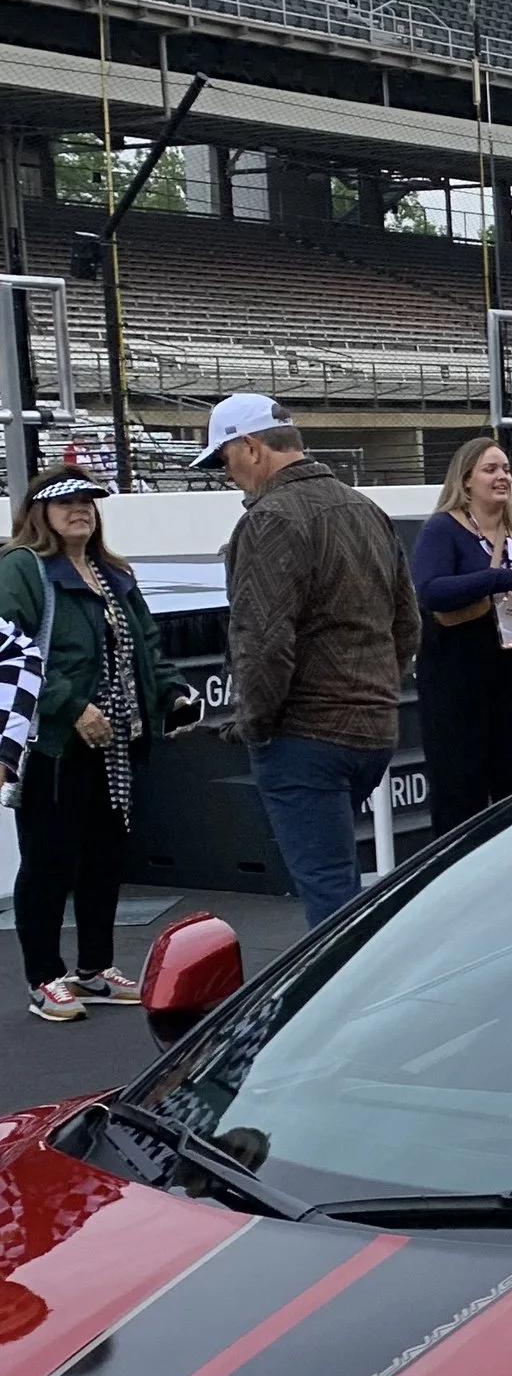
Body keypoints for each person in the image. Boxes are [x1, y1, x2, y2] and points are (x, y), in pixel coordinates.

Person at [201, 391, 420, 928]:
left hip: (306, 735)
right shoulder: (364, 507)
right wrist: (374, 690)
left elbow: (263, 640)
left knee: (328, 893)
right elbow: (407, 622)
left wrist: (254, 725)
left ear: (251, 447)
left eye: (224, 458)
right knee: (338, 884)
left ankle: (344, 1008)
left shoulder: (271, 517)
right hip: (371, 728)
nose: (226, 473)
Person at [0, 470, 195, 1022]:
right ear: (41, 511)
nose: (80, 509)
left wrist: (173, 693)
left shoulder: (114, 574)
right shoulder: (23, 568)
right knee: (48, 862)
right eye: (66, 502)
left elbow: (147, 647)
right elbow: (7, 650)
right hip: (55, 746)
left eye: (87, 500)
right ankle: (44, 979)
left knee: (104, 860)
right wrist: (69, 705)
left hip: (118, 743)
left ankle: (94, 970)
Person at [411, 437, 512, 833]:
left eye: (506, 470)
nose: (502, 477)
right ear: (465, 482)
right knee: (459, 789)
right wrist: (500, 578)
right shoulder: (443, 529)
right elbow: (430, 591)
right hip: (458, 678)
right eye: (490, 469)